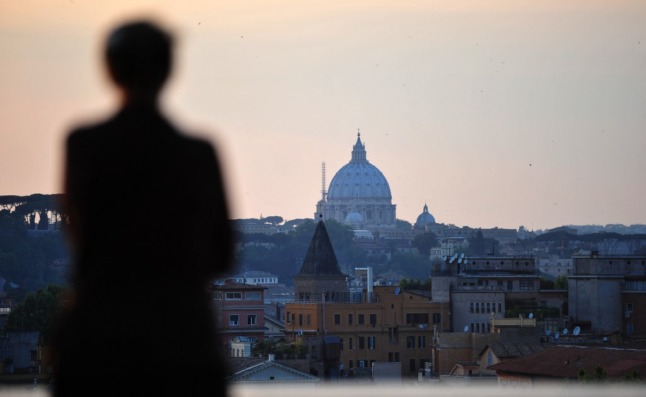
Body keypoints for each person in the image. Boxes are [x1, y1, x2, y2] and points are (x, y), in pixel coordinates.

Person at [52, 20, 233, 397]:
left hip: (97, 338)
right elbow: (221, 253)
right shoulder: (199, 153)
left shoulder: (83, 145)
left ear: (110, 70)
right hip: (182, 340)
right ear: (169, 71)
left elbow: (79, 239)